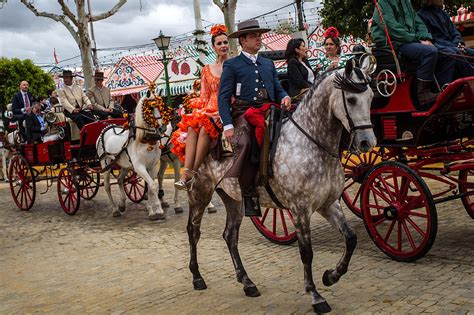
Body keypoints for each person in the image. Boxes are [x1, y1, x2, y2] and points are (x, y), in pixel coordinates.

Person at [218, 19, 291, 217]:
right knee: (246, 142)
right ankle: (248, 192)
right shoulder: (232, 65)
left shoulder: (267, 63)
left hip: (270, 109)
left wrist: (284, 96)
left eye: (259, 36)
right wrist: (228, 125)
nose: (258, 39)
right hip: (244, 112)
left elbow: (277, 87)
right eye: (253, 36)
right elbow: (223, 97)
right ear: (242, 40)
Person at [172, 24, 230, 191]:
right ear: (213, 47)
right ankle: (186, 173)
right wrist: (199, 110)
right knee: (191, 126)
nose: (223, 46)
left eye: (225, 42)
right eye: (219, 43)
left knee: (205, 128)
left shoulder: (234, 65)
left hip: (226, 108)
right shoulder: (207, 69)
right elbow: (204, 95)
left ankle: (192, 172)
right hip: (209, 108)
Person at [371, 0, 456, 107]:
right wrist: (417, 39)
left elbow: (419, 24)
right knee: (430, 52)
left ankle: (443, 90)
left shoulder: (406, 2)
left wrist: (425, 37)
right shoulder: (383, 3)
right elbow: (393, 29)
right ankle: (423, 94)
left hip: (411, 41)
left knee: (449, 53)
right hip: (395, 43)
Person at [417, 0, 474, 78]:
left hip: (454, 46)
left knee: (471, 52)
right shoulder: (421, 16)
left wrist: (459, 43)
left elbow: (454, 32)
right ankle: (470, 81)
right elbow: (431, 39)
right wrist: (455, 46)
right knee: (457, 52)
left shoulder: (443, 14)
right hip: (440, 49)